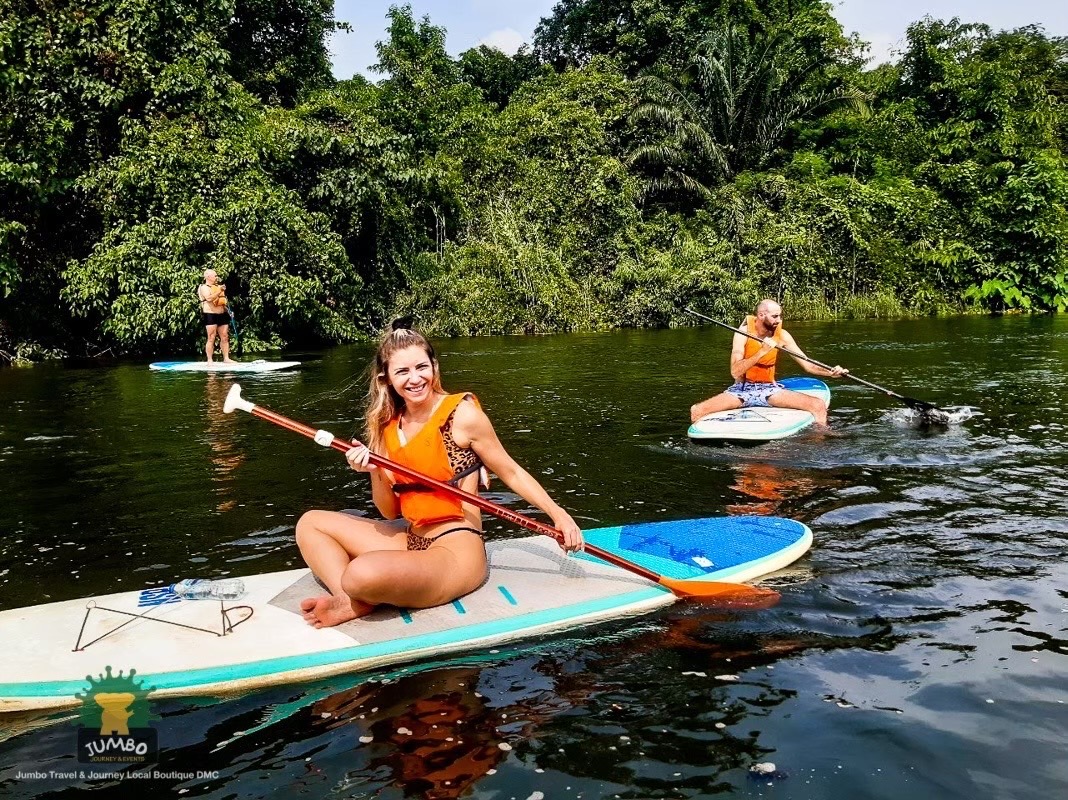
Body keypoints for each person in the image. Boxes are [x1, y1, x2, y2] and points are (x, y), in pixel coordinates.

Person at [295, 323, 585, 628]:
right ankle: (349, 600)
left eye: (422, 367)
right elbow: (388, 511)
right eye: (403, 371)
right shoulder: (387, 428)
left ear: (434, 366)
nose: (415, 378)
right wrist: (374, 471)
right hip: (412, 536)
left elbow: (511, 471)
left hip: (456, 548)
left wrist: (558, 514)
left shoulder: (462, 416)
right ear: (387, 379)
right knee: (310, 524)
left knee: (361, 573)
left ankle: (357, 592)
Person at [689, 299, 847, 426]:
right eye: (775, 316)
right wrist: (761, 352)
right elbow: (735, 372)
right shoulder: (742, 334)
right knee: (696, 410)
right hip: (741, 390)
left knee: (818, 405)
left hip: (769, 390)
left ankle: (818, 445)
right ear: (761, 315)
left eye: (780, 316)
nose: (779, 320)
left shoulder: (783, 336)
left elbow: (808, 364)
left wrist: (831, 372)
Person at [197, 269, 233, 363]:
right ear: (208, 277)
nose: (217, 277)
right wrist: (219, 290)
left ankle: (226, 358)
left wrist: (228, 311)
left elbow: (222, 302)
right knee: (211, 337)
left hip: (222, 314)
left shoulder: (217, 287)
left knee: (225, 336)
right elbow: (209, 298)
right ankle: (209, 360)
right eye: (215, 276)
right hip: (210, 314)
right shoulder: (203, 287)